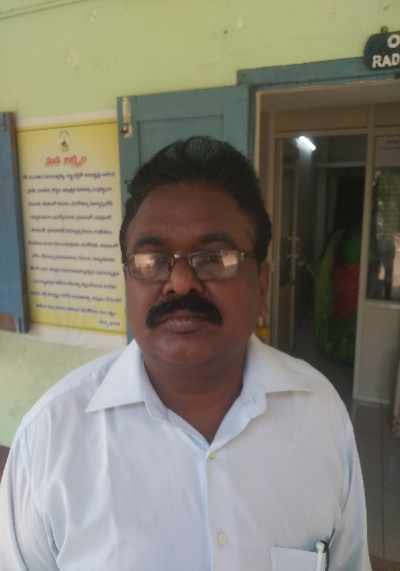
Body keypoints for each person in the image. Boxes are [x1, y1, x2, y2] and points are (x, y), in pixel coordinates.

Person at [0, 136, 371, 570]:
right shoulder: (50, 438)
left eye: (214, 257)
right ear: (128, 281)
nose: (179, 282)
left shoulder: (320, 414)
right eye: (151, 260)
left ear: (262, 284)